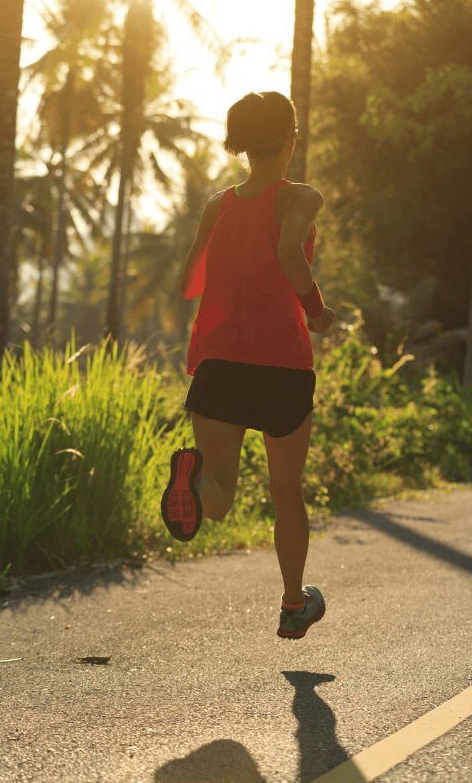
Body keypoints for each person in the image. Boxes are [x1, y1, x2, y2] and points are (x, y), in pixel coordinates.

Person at [159, 91, 335, 640]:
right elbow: (289, 252)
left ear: (238, 142)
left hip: (219, 358)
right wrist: (318, 310)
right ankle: (291, 605)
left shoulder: (219, 205)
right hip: (281, 361)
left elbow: (191, 278)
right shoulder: (302, 196)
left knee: (218, 497)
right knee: (287, 489)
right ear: (290, 140)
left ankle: (191, 479)